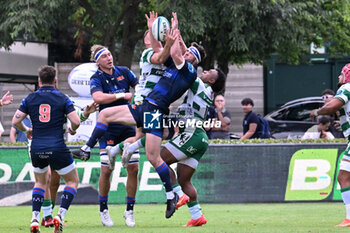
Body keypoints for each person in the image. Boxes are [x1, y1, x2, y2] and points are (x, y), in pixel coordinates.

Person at [72, 28, 206, 219]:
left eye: (191, 54)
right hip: (148, 106)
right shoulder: (161, 58)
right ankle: (171, 194)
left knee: (150, 154)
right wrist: (155, 30)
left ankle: (169, 194)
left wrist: (170, 36)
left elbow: (169, 53)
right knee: (115, 123)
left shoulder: (186, 69)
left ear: (194, 61)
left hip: (152, 108)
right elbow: (165, 52)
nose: (186, 53)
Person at [123, 68, 226, 226]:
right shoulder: (208, 92)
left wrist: (182, 48)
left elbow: (185, 68)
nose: (205, 71)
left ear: (211, 81)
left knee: (159, 159)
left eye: (210, 71)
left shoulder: (200, 85)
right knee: (185, 180)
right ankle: (197, 215)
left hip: (192, 134)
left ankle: (177, 194)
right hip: (199, 137)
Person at [105, 12, 177, 227]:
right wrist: (157, 34)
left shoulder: (165, 53)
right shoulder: (148, 53)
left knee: (147, 145)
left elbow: (168, 54)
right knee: (149, 147)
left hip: (153, 106)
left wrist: (173, 30)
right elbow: (161, 56)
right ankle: (105, 149)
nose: (152, 36)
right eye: (151, 35)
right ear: (148, 40)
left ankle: (117, 150)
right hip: (144, 105)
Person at [72, 44, 138, 227]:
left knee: (133, 169)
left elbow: (139, 87)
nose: (109, 58)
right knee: (106, 170)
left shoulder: (124, 71)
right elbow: (99, 98)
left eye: (110, 54)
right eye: (105, 56)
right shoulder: (97, 77)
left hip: (128, 126)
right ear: (98, 61)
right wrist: (122, 96)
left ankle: (129, 210)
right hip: (107, 129)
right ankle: (103, 209)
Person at [11, 65, 80, 233]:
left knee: (40, 182)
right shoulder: (62, 98)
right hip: (57, 147)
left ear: (39, 81)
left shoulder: (30, 98)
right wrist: (73, 129)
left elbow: (15, 121)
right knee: (72, 181)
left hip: (37, 147)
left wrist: (27, 131)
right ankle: (60, 216)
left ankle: (35, 218)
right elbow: (76, 121)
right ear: (55, 80)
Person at [310, 63, 350, 227]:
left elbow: (333, 106)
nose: (338, 77)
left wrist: (317, 112)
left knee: (344, 176)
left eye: (341, 73)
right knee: (344, 176)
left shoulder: (347, 87)